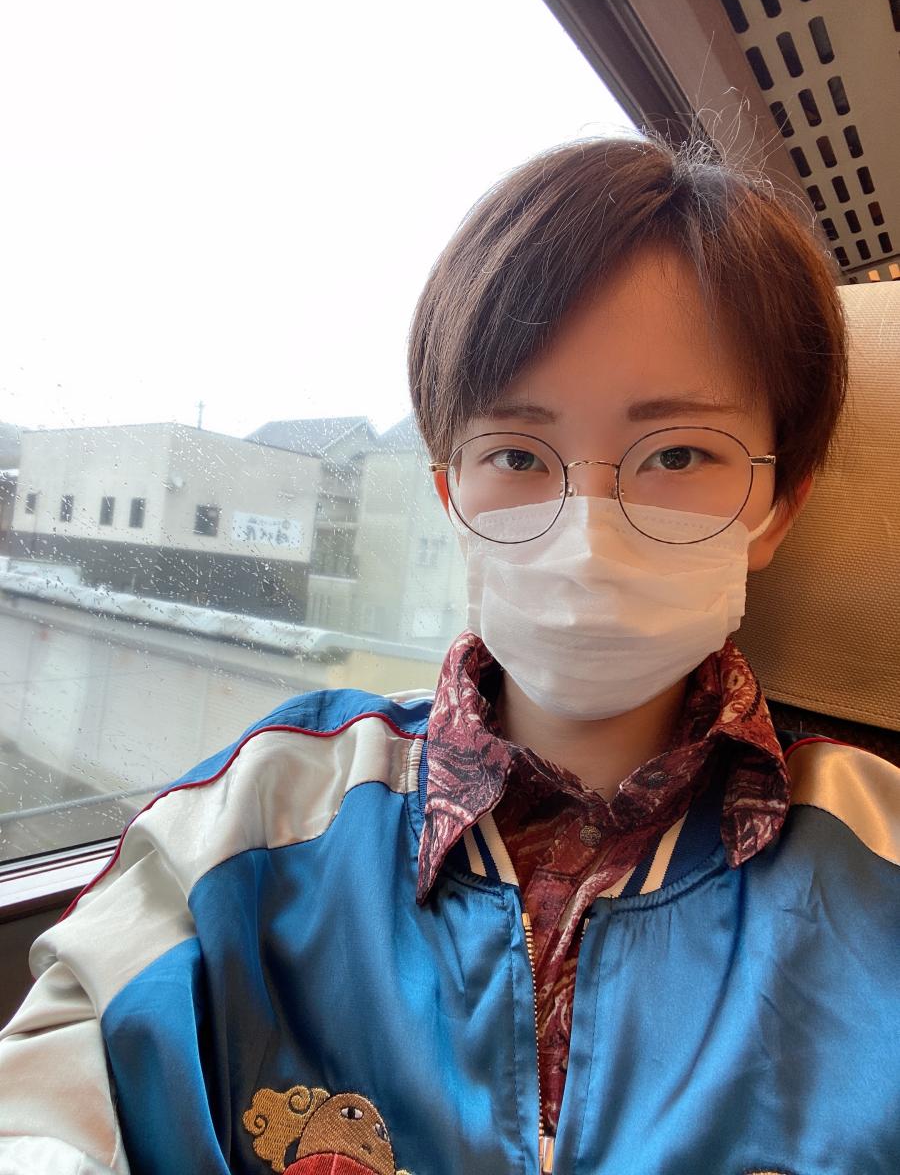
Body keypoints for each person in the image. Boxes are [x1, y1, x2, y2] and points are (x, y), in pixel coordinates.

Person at [0, 136, 897, 1175]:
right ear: (452, 497)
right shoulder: (252, 821)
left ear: (779, 505)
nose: (589, 531)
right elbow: (49, 1099)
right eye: (517, 454)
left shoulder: (878, 866)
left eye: (678, 454)